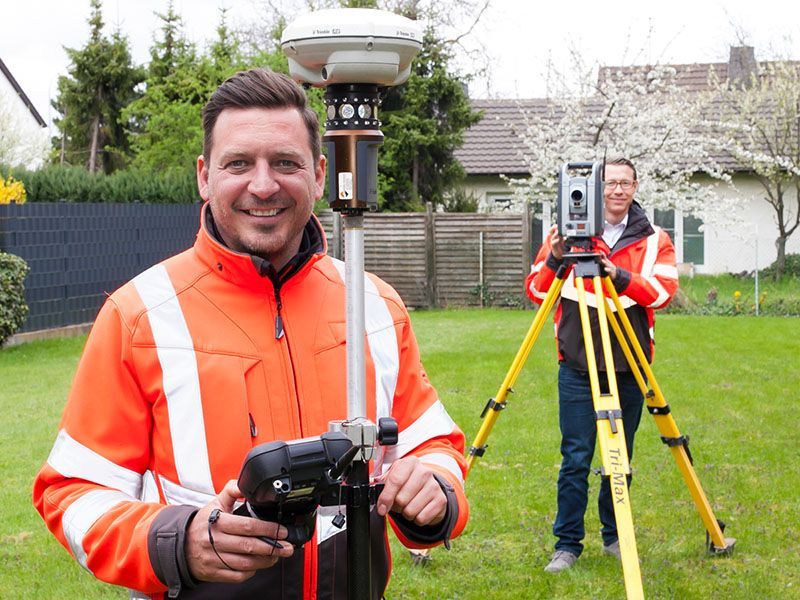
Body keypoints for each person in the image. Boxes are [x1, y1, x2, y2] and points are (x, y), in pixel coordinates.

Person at [33, 69, 468, 599]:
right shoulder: (139, 315)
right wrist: (175, 542)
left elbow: (432, 443)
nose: (263, 185)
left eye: (285, 163)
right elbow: (73, 490)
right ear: (203, 175)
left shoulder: (374, 304)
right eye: (239, 163)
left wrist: (436, 490)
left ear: (320, 174)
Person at [526, 158, 678, 573]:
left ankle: (614, 536)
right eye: (609, 183)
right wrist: (557, 258)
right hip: (576, 365)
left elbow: (664, 292)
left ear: (635, 186)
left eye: (624, 183)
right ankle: (567, 544)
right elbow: (537, 292)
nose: (616, 190)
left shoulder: (654, 239)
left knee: (619, 457)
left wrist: (620, 276)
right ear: (597, 188)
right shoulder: (567, 234)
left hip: (628, 364)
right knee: (575, 456)